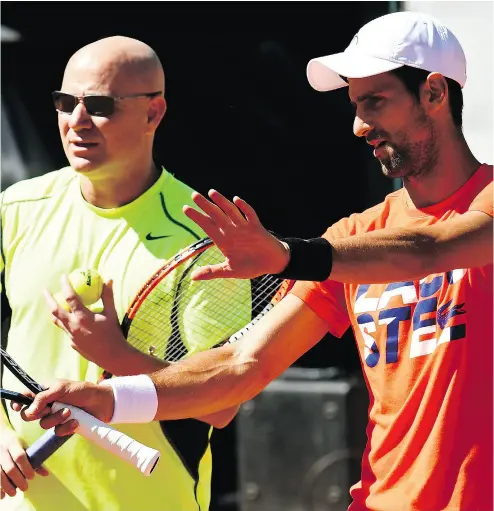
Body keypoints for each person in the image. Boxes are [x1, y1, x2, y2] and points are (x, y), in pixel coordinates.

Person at [18, 11, 493, 511]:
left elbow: (428, 250)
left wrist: (289, 256)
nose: (358, 126)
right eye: (354, 105)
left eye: (374, 102)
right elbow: (242, 365)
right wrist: (110, 398)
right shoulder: (354, 236)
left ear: (435, 93)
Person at [0, 36, 244, 511]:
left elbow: (220, 404)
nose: (77, 122)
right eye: (65, 103)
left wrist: (114, 353)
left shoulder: (204, 236)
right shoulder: (15, 209)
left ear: (154, 114)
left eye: (99, 105)